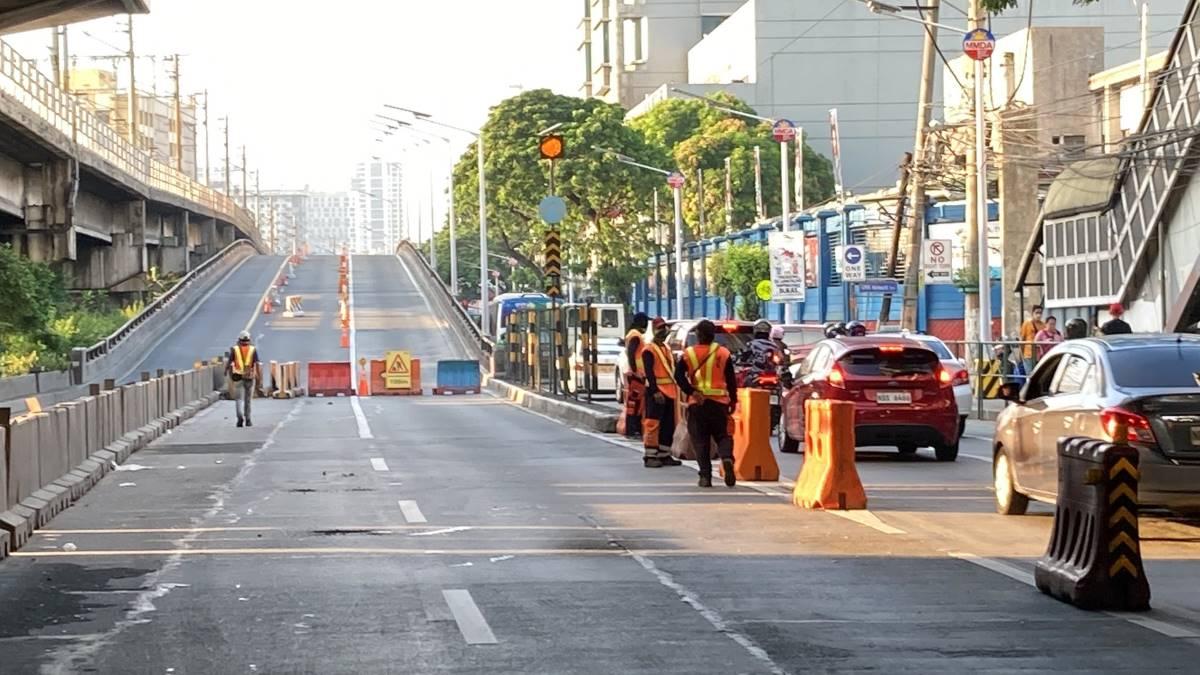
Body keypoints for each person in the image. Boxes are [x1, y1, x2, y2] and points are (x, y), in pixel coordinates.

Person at [674, 319, 738, 488]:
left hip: (698, 403)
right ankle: (726, 457)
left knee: (700, 440)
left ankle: (705, 477)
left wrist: (691, 391)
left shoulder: (689, 354)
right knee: (723, 435)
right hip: (719, 402)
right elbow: (731, 380)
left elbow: (678, 376)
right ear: (713, 336)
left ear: (698, 335)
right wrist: (733, 400)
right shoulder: (723, 353)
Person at [640, 317, 683, 468]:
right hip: (656, 392)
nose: (663, 331)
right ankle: (650, 455)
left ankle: (664, 454)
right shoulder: (649, 349)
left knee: (667, 425)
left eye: (664, 328)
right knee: (653, 424)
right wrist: (654, 391)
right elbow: (649, 372)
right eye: (660, 328)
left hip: (669, 391)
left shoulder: (666, 348)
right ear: (654, 330)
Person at [622, 312, 650, 437]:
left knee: (635, 402)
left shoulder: (633, 334)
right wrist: (635, 371)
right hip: (636, 375)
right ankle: (633, 429)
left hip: (636, 374)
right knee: (636, 403)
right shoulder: (635, 335)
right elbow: (631, 354)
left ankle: (633, 428)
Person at [225, 330, 261, 428]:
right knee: (248, 400)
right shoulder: (253, 349)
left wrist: (226, 371)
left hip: (237, 377)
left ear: (239, 339)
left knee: (238, 399)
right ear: (249, 339)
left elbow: (229, 363)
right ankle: (248, 420)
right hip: (249, 377)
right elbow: (256, 364)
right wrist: (258, 377)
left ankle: (239, 418)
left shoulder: (234, 349)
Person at [1019, 305, 1044, 373]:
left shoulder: (1043, 325)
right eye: (1037, 312)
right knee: (1030, 374)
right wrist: (1021, 354)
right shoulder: (1027, 323)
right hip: (1028, 354)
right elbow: (1022, 339)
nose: (1039, 315)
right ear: (1032, 313)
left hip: (1039, 355)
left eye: (1040, 313)